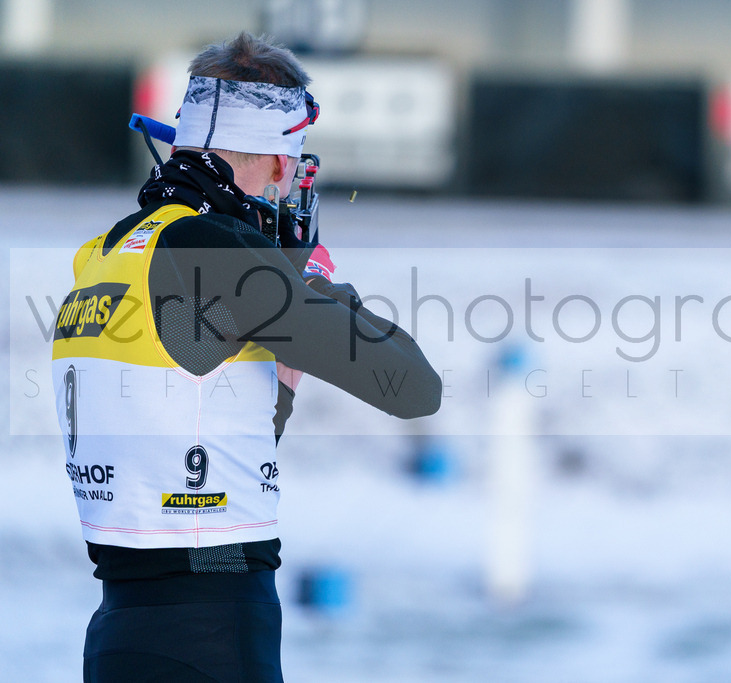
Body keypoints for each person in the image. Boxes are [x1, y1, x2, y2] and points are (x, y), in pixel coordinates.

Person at [51, 32, 442, 682]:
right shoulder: (219, 254)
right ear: (284, 164)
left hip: (122, 626)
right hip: (215, 626)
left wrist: (280, 358)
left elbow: (218, 434)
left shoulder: (109, 250)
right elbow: (411, 384)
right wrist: (312, 284)